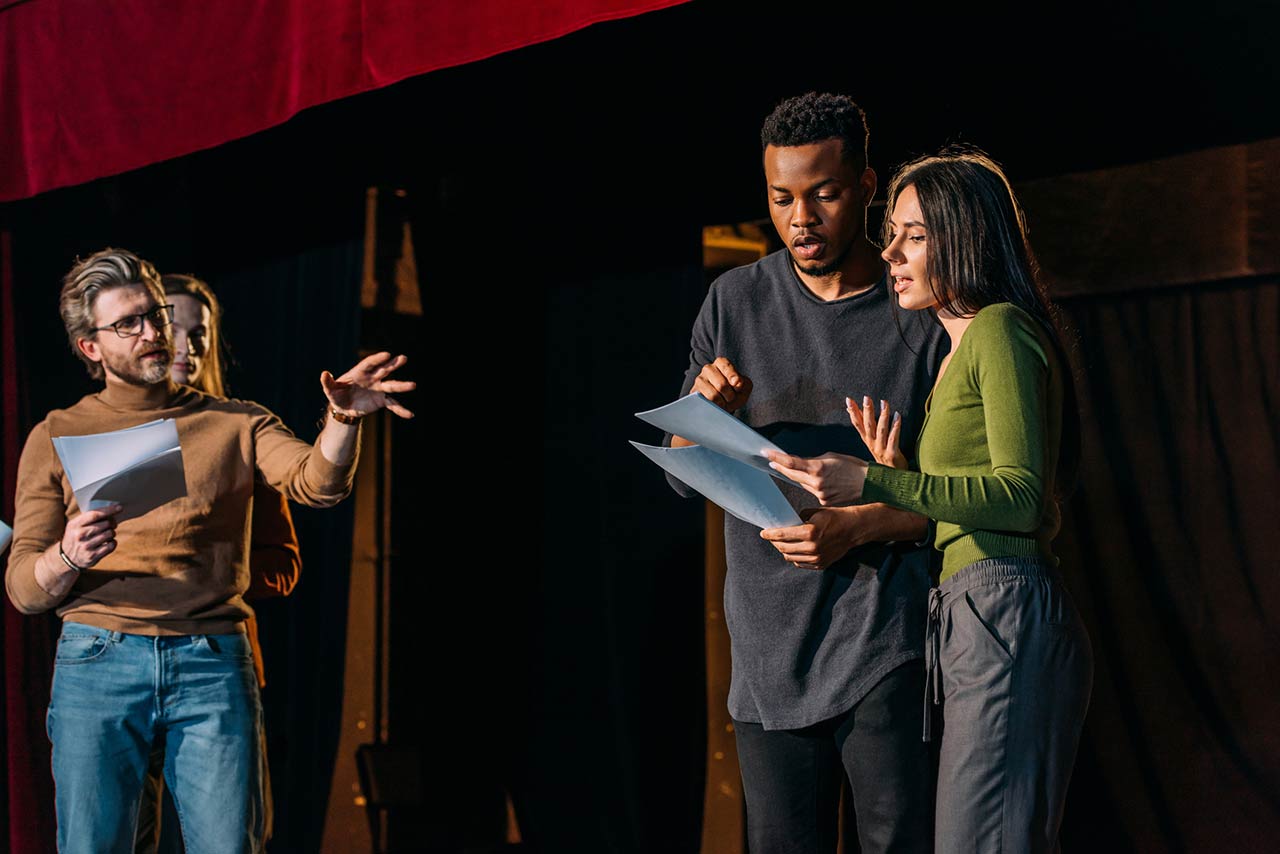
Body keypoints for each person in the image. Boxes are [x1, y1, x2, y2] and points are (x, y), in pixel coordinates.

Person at [5, 248, 414, 853]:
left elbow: (317, 483)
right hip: (99, 662)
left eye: (154, 314)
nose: (152, 333)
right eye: (128, 324)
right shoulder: (57, 432)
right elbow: (23, 588)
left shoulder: (234, 423)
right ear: (91, 348)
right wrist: (65, 556)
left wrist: (342, 419)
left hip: (211, 663)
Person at [765, 149, 1093, 853]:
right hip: (972, 611)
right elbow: (968, 495)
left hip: (1004, 604)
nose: (890, 252)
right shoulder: (953, 357)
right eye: (894, 234)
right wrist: (903, 473)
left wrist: (876, 481)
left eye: (914, 235)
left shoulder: (1000, 329)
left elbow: (1021, 496)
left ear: (965, 235)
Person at [665, 92, 947, 852]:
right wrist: (704, 419)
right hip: (766, 648)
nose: (801, 218)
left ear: (865, 186)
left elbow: (958, 497)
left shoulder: (917, 313)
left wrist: (861, 525)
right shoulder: (734, 300)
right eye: (782, 197)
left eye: (822, 194)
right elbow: (680, 475)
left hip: (885, 637)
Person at [133, 273, 303, 854]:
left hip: (216, 662)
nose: (187, 344)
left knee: (226, 839)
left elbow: (284, 563)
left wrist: (212, 573)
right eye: (171, 327)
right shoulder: (114, 431)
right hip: (122, 662)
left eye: (199, 332)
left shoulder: (241, 431)